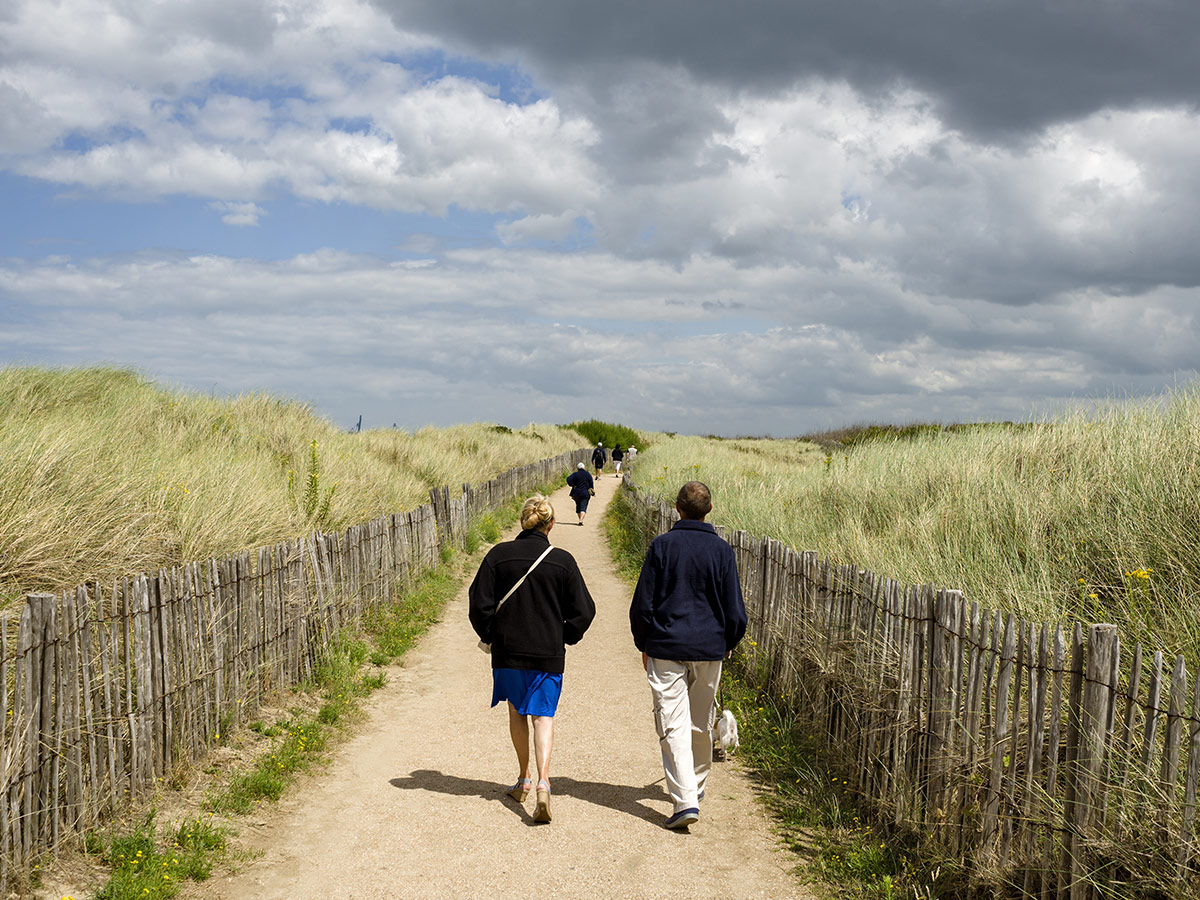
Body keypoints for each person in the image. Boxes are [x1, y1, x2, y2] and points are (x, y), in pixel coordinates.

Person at [469, 495, 595, 823]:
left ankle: (522, 778)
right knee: (543, 717)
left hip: (508, 653)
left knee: (516, 714)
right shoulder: (563, 561)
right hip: (548, 654)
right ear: (551, 524)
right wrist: (564, 636)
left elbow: (478, 604)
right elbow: (585, 611)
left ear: (522, 521)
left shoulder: (498, 556)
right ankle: (543, 782)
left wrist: (492, 634)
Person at [629, 481, 747, 830]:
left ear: (676, 508)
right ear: (709, 509)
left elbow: (643, 604)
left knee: (672, 722)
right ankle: (695, 788)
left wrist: (643, 642)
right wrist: (729, 640)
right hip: (710, 647)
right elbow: (735, 610)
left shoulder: (662, 546)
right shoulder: (723, 551)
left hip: (666, 646)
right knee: (699, 720)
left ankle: (685, 800)